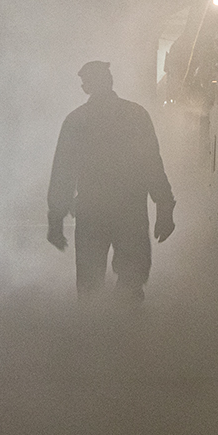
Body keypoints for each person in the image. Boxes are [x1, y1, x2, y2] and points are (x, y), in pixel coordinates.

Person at [47, 60, 175, 301]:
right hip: (130, 211)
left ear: (86, 87)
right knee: (131, 281)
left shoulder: (76, 121)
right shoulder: (136, 115)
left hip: (91, 212)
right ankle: (127, 332)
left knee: (89, 286)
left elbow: (63, 172)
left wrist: (56, 218)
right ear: (110, 81)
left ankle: (95, 332)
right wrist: (164, 207)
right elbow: (152, 165)